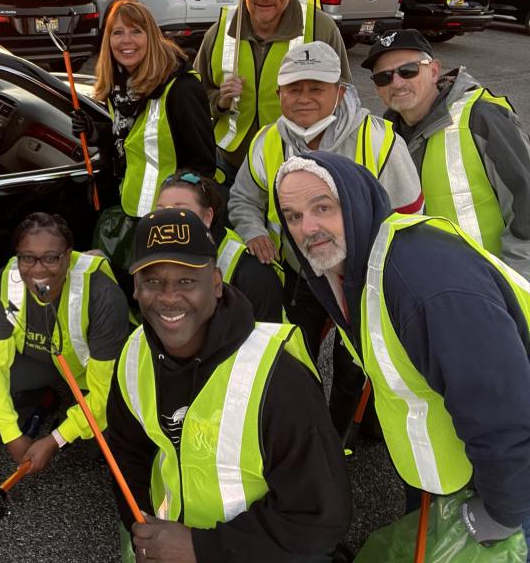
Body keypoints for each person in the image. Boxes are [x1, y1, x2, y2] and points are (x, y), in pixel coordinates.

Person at [274, 151, 530, 556]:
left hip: (513, 471)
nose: (308, 228)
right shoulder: (346, 268)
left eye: (323, 207)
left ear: (356, 203)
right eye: (292, 216)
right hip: (452, 464)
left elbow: (501, 406)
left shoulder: (423, 282)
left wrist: (504, 509)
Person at [106, 208, 351, 562]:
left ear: (217, 284)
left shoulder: (277, 376)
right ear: (136, 288)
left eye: (187, 281)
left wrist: (198, 548)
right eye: (153, 281)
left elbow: (321, 518)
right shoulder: (133, 356)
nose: (168, 297)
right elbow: (128, 454)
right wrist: (141, 525)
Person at [229, 41, 422, 355]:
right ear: (279, 95)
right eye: (294, 89)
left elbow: (409, 222)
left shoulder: (380, 139)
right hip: (302, 275)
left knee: (358, 366)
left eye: (316, 88)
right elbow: (243, 199)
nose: (304, 98)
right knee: (299, 355)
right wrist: (254, 230)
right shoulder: (265, 141)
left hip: (367, 281)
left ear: (340, 92)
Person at [362, 28, 530, 279]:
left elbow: (525, 210)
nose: (396, 83)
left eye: (407, 71)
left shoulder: (482, 119)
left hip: (492, 292)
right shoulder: (382, 138)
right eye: (383, 77)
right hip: (429, 292)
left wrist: (516, 288)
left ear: (433, 70)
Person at [0, 213, 129, 472]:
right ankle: (41, 400)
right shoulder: (8, 279)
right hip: (43, 359)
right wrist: (11, 434)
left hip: (88, 376)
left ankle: (76, 416)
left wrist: (56, 439)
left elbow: (105, 390)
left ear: (68, 256)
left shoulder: (102, 295)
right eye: (27, 257)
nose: (37, 269)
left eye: (50, 258)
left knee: (106, 439)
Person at [195, 0, 351, 182]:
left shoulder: (320, 27)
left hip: (299, 164)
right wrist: (220, 101)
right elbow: (195, 98)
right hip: (230, 163)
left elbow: (345, 96)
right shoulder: (219, 31)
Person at [74, 0, 217, 219]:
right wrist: (95, 132)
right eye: (118, 32)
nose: (126, 41)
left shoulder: (181, 89)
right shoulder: (118, 87)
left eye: (136, 31)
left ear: (151, 37)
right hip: (131, 211)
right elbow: (132, 141)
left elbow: (203, 165)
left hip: (171, 217)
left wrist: (183, 213)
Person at [156, 170, 284, 323]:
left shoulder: (251, 271)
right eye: (161, 210)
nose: (168, 219)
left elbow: (265, 341)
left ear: (207, 217)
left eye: (181, 209)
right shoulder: (154, 256)